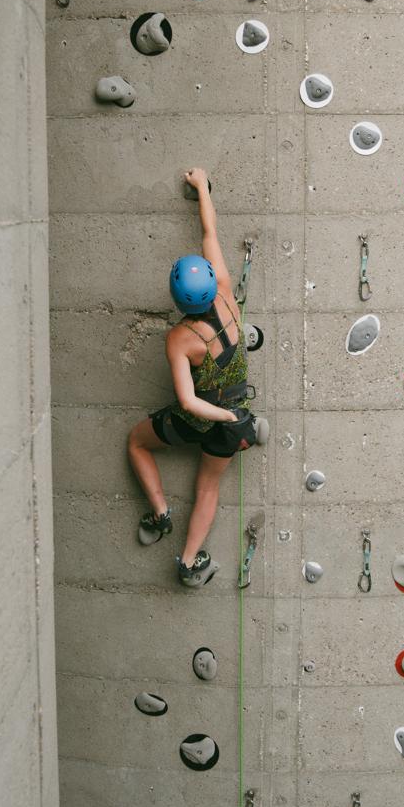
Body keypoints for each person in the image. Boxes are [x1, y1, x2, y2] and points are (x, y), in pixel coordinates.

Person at [127, 168, 268, 588]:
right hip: (237, 414)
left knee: (136, 442)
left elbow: (188, 402)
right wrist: (202, 186)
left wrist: (221, 418)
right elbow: (210, 231)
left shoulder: (180, 339)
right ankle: (188, 563)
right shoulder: (227, 292)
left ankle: (160, 514)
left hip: (207, 419)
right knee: (207, 488)